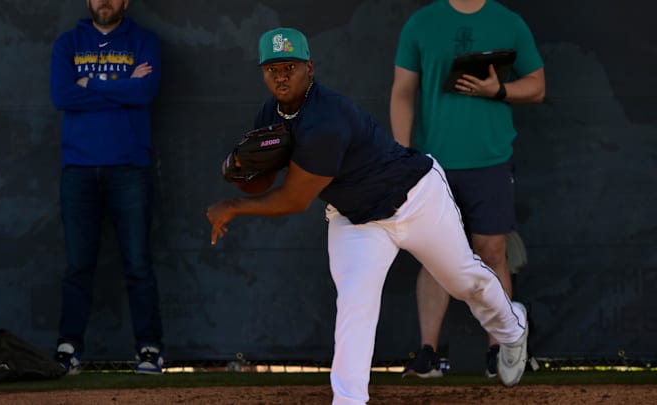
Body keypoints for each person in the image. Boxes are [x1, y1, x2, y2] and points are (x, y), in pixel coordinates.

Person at [207, 27, 530, 404]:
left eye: (290, 66)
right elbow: (261, 165)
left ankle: (512, 327)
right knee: (355, 303)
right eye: (272, 68)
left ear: (309, 68)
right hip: (357, 218)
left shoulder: (326, 118)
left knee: (464, 282)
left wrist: (234, 205)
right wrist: (239, 167)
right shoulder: (272, 112)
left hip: (416, 198)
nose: (281, 75)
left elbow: (295, 200)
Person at [389, 0, 545, 378]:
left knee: (493, 252)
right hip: (432, 164)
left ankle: (500, 350)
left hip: (490, 160)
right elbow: (403, 92)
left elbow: (537, 86)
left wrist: (499, 90)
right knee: (433, 256)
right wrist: (402, 156)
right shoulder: (421, 23)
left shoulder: (508, 22)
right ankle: (427, 354)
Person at [49, 0, 164, 375]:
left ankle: (149, 348)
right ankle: (69, 348)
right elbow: (62, 95)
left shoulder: (144, 41)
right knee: (78, 265)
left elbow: (144, 93)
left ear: (125, 2)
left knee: (138, 264)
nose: (105, 1)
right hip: (78, 169)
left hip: (129, 167)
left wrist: (91, 82)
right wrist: (122, 84)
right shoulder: (69, 43)